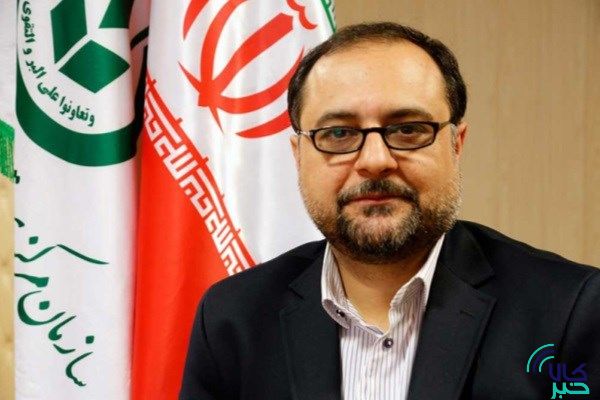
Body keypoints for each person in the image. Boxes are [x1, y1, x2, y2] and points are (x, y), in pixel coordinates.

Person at [179, 22, 599, 400]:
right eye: (338, 133)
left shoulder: (569, 312)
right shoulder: (233, 319)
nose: (375, 160)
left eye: (408, 129)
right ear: (298, 155)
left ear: (456, 145)